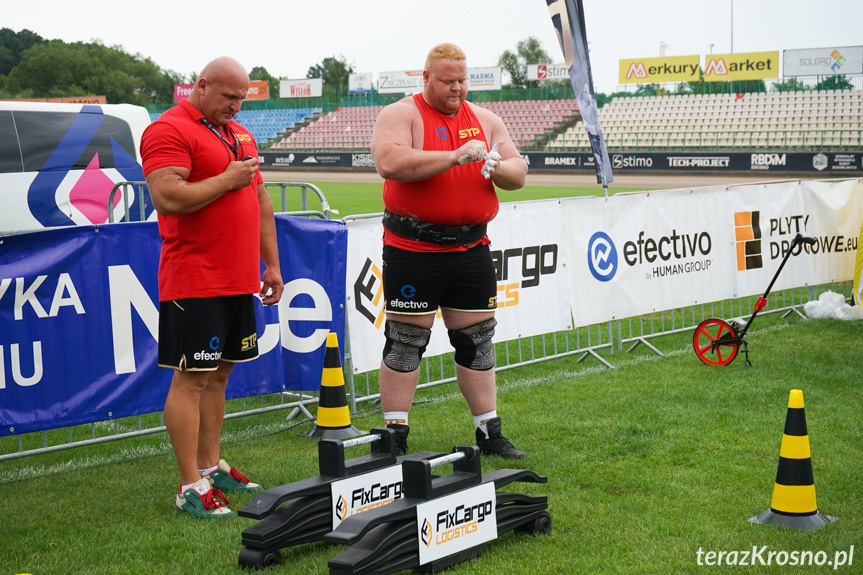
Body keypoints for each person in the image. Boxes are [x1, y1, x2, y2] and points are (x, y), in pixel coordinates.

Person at [141, 56, 284, 519]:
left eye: (242, 98)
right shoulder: (169, 129)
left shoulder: (238, 132)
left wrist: (272, 265)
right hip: (194, 278)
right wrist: (226, 179)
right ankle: (188, 485)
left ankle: (210, 466)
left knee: (221, 374)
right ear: (201, 87)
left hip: (238, 276)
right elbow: (166, 196)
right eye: (229, 96)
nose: (237, 106)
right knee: (191, 379)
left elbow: (259, 198)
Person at [370, 43, 529, 460]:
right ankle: (394, 434)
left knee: (477, 340)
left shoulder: (486, 119)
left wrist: (498, 166)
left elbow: (519, 172)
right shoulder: (401, 114)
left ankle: (489, 432)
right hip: (413, 247)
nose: (457, 88)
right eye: (447, 81)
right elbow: (389, 162)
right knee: (406, 340)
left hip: (471, 247)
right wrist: (454, 156)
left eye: (462, 80)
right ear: (426, 79)